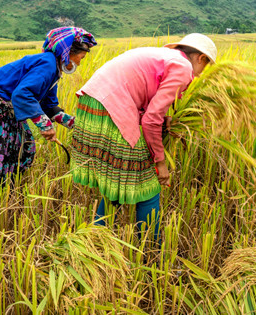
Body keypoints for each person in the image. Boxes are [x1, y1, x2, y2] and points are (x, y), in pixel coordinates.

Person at [71, 33, 217, 242]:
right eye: (206, 67)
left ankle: (93, 241)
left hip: (93, 104)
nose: (202, 74)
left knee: (118, 179)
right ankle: (151, 248)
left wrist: (166, 115)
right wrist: (161, 162)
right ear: (201, 58)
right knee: (148, 183)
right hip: (111, 109)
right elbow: (150, 121)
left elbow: (149, 91)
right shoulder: (183, 68)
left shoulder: (167, 56)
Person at [0, 27, 97, 208]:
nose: (80, 62)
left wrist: (76, 124)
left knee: (22, 148)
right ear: (68, 52)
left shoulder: (54, 69)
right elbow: (22, 94)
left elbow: (48, 105)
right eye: (81, 58)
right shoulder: (48, 64)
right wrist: (45, 126)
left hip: (6, 109)